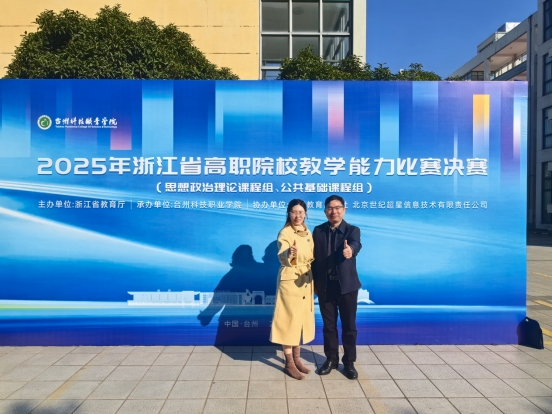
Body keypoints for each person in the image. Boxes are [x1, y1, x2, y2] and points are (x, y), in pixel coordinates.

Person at [312, 195, 362, 380]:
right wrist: (314, 283)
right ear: (325, 211)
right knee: (329, 326)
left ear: (344, 210)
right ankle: (331, 360)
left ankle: (349, 362)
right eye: (330, 208)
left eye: (338, 207)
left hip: (347, 287)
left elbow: (356, 244)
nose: (334, 211)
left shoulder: (352, 230)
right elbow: (313, 259)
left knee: (349, 326)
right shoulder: (318, 231)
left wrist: (351, 250)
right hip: (325, 286)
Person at [270, 199, 315, 380]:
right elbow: (282, 253)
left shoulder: (308, 232)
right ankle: (289, 362)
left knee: (300, 320)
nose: (298, 216)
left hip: (306, 279)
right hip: (290, 279)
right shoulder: (285, 232)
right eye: (294, 212)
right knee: (288, 320)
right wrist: (289, 253)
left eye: (301, 212)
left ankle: (297, 359)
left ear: (305, 214)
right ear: (288, 213)